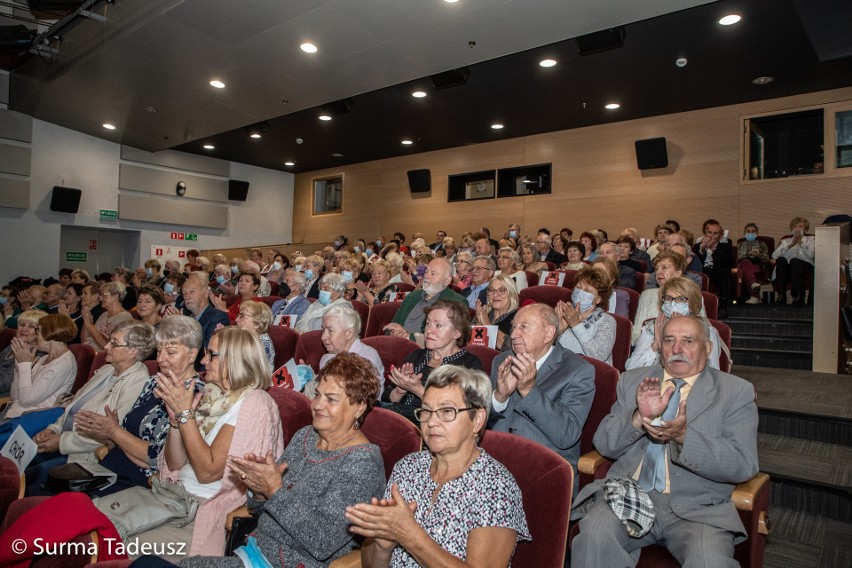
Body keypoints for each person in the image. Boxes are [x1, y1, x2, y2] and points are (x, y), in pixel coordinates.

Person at [166, 353, 388, 568]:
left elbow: (323, 541)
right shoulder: (306, 435)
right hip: (254, 552)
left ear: (359, 406)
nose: (317, 404)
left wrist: (274, 489)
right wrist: (259, 488)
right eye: (317, 394)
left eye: (331, 399)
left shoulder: (362, 463)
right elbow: (260, 507)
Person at [571, 315, 759, 568]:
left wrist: (683, 437)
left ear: (708, 347)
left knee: (709, 562)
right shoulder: (633, 380)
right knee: (593, 536)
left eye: (688, 341)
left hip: (697, 508)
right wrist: (637, 418)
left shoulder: (735, 392)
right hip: (627, 495)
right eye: (669, 340)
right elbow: (604, 444)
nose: (677, 349)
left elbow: (743, 464)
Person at [122, 327, 284, 560]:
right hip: (174, 499)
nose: (204, 360)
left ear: (234, 359)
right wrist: (176, 420)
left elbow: (208, 472)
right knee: (98, 526)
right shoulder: (212, 395)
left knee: (115, 546)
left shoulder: (255, 403)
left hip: (200, 515)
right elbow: (175, 463)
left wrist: (186, 414)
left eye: (212, 354)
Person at [349, 365, 530, 567]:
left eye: (446, 411)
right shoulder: (408, 467)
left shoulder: (496, 487)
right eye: (426, 411)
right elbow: (371, 564)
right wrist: (382, 545)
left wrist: (409, 534)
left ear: (477, 420)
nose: (432, 421)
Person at [24, 320, 156, 495]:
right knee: (17, 468)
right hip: (62, 442)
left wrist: (60, 442)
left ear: (133, 351)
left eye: (114, 343)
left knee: (30, 481)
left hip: (85, 456)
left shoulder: (138, 382)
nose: (107, 346)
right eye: (109, 340)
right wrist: (53, 429)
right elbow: (74, 406)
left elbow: (110, 433)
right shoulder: (107, 369)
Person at [79, 316, 203, 496]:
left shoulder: (196, 394)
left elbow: (162, 459)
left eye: (170, 352)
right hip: (111, 468)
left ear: (192, 355)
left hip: (140, 485)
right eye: (159, 351)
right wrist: (114, 436)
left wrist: (116, 434)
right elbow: (130, 437)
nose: (161, 359)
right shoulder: (154, 382)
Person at [489, 303, 595, 492]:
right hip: (494, 464)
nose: (513, 335)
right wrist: (499, 397)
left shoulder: (578, 371)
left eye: (524, 327)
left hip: (543, 472)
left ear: (548, 334)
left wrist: (529, 390)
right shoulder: (502, 360)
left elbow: (567, 434)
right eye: (513, 327)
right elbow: (479, 421)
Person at [382, 300, 482, 423]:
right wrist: (400, 390)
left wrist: (418, 390)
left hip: (433, 428)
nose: (429, 330)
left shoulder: (469, 365)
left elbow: (457, 412)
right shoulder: (416, 355)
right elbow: (386, 399)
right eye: (428, 323)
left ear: (456, 333)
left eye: (438, 325)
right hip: (398, 421)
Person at [0, 314, 77, 442]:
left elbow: (26, 400)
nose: (36, 335)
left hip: (30, 423)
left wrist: (25, 365)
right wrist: (19, 366)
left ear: (50, 333)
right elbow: (16, 397)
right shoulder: (43, 358)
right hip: (15, 416)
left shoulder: (64, 363)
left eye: (38, 330)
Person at [626, 276, 722, 371]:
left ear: (692, 305)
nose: (672, 303)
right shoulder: (652, 328)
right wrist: (656, 345)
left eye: (680, 299)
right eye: (668, 298)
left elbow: (713, 372)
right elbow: (631, 369)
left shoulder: (708, 331)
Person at [306, 304, 384, 396]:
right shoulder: (327, 358)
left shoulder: (367, 359)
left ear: (349, 333)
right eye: (323, 330)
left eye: (330, 331)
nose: (323, 337)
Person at [384, 258, 467, 344]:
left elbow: (450, 340)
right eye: (426, 271)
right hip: (395, 345)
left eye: (433, 274)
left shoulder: (456, 302)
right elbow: (391, 327)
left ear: (446, 281)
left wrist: (407, 336)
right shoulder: (412, 297)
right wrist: (393, 332)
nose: (426, 276)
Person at [633, 251, 706, 343]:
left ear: (678, 273)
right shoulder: (647, 295)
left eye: (664, 268)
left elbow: (702, 329)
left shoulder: (693, 295)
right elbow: (636, 332)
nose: (658, 272)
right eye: (657, 268)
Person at [167, 272, 229, 370]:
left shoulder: (218, 317)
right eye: (184, 293)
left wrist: (184, 327)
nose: (187, 296)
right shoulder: (186, 317)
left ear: (205, 293)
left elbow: (208, 352)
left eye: (192, 292)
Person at [555, 266, 616, 365]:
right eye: (578, 287)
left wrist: (576, 325)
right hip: (561, 368)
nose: (580, 292)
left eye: (587, 290)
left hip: (592, 374)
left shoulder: (607, 321)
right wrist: (558, 331)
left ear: (598, 299)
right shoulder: (564, 313)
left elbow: (598, 356)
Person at [693, 219, 734, 316]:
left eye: (715, 233)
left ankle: (723, 305)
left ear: (720, 236)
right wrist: (702, 249)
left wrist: (712, 249)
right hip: (703, 271)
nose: (711, 236)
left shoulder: (725, 246)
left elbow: (728, 263)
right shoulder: (697, 246)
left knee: (724, 273)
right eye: (709, 232)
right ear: (705, 232)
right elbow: (694, 262)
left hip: (717, 271)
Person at [0, 309, 47, 392]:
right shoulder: (14, 345)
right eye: (22, 324)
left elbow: (4, 384)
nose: (24, 329)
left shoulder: (38, 354)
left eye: (31, 326)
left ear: (41, 332)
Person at [772, 216, 815, 306]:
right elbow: (774, 256)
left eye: (800, 226)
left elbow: (811, 255)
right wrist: (790, 245)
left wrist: (800, 243)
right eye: (795, 226)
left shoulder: (811, 239)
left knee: (795, 261)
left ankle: (797, 294)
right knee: (781, 260)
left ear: (805, 229)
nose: (797, 229)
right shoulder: (785, 241)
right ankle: (782, 295)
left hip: (805, 265)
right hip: (788, 266)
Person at [82, 281, 133, 352]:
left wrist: (90, 325)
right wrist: (86, 320)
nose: (100, 298)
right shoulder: (104, 315)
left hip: (100, 356)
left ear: (115, 296)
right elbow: (84, 340)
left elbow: (104, 345)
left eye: (104, 295)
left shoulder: (124, 318)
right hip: (87, 352)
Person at [473, 274, 519, 352]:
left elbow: (511, 348)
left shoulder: (517, 318)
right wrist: (478, 322)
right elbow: (469, 342)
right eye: (491, 290)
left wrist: (487, 325)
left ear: (511, 293)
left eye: (501, 290)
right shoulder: (484, 313)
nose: (495, 294)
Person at [234, 300, 275, 372]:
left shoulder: (263, 345)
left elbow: (250, 375)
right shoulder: (245, 338)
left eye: (242, 316)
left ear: (257, 324)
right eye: (238, 315)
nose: (236, 319)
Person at [737, 222, 771, 304]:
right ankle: (754, 293)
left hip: (757, 265)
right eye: (748, 231)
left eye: (753, 231)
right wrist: (749, 254)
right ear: (745, 233)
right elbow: (737, 257)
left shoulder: (762, 244)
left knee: (750, 269)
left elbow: (766, 259)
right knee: (745, 262)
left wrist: (758, 255)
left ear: (757, 233)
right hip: (742, 264)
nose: (750, 233)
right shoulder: (740, 244)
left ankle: (754, 292)